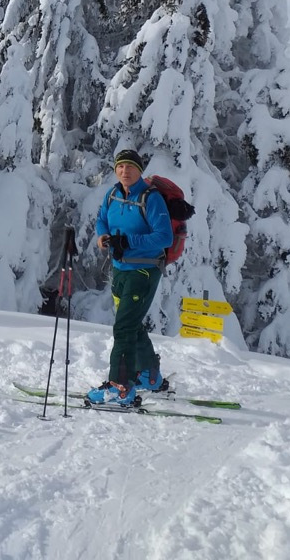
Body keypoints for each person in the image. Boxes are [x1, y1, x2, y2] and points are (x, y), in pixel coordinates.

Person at [86, 149, 173, 406]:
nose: (125, 171)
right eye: (121, 166)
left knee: (124, 326)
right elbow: (102, 219)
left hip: (143, 271)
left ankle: (120, 387)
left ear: (140, 170)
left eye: (130, 166)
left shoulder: (151, 198)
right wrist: (103, 235)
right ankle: (149, 375)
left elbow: (164, 237)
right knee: (131, 323)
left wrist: (128, 241)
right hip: (120, 269)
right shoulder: (113, 194)